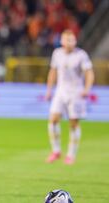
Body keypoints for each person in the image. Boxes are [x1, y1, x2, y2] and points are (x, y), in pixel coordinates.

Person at [45, 29, 94, 165]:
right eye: (66, 40)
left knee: (73, 123)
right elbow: (53, 72)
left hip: (76, 93)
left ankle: (71, 155)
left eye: (71, 40)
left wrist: (86, 89)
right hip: (60, 91)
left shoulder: (81, 55)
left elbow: (89, 73)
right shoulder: (57, 53)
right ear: (61, 41)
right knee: (53, 120)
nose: (69, 42)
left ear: (75, 41)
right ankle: (56, 151)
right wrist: (49, 90)